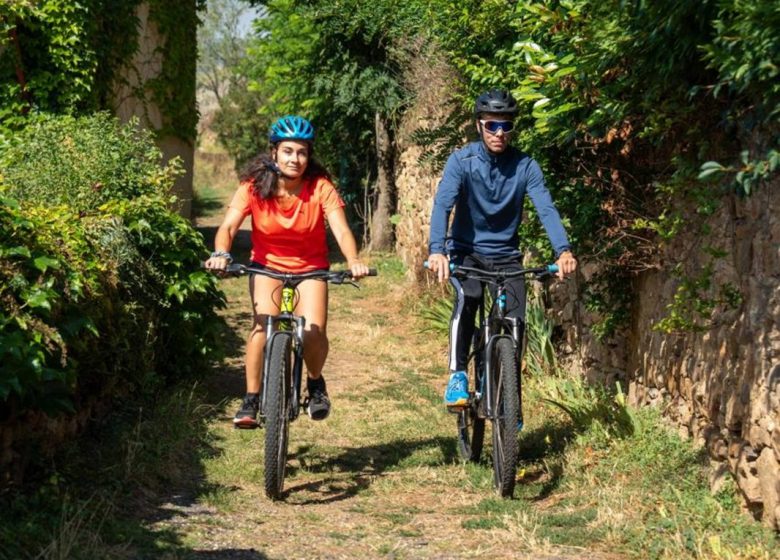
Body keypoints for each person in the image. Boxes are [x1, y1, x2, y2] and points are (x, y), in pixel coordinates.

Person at [205, 115, 369, 428]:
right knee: (261, 327)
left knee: (313, 332)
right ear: (274, 153)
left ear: (309, 156)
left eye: (302, 152)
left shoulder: (320, 187)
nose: (295, 158)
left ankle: (315, 383)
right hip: (266, 266)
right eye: (288, 151)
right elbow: (228, 226)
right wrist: (221, 253)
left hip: (311, 269)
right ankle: (251, 399)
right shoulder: (253, 187)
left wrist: (353, 260)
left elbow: (341, 229)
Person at [427, 89, 577, 409]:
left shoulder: (526, 166)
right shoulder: (462, 161)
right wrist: (437, 250)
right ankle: (457, 374)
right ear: (479, 125)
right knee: (469, 297)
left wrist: (563, 251)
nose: (499, 133)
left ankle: (510, 401)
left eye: (506, 126)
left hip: (507, 257)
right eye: (492, 125)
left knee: (515, 324)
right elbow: (443, 205)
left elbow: (546, 209)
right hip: (466, 252)